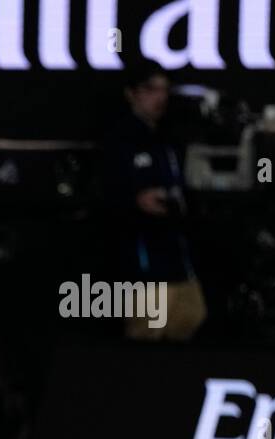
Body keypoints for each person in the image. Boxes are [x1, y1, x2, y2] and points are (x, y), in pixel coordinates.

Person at [103, 61, 205, 342]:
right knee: (147, 330)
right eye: (151, 90)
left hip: (175, 253)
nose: (159, 98)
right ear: (132, 94)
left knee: (191, 315)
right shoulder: (117, 140)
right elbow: (103, 194)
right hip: (142, 260)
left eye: (164, 90)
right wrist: (134, 201)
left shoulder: (168, 140)